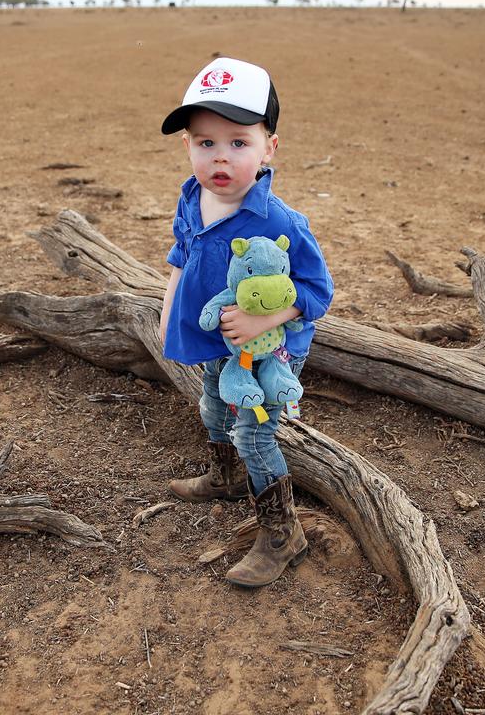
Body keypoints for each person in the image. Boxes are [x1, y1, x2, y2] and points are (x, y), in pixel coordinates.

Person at [159, 57, 333, 587]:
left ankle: (283, 533)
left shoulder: (278, 221)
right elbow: (181, 255)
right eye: (205, 142)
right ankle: (225, 476)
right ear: (187, 146)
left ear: (268, 148)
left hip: (271, 350)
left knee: (254, 432)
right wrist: (168, 312)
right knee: (212, 401)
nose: (221, 157)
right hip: (217, 338)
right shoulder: (193, 197)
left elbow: (317, 291)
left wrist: (268, 319)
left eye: (239, 142)